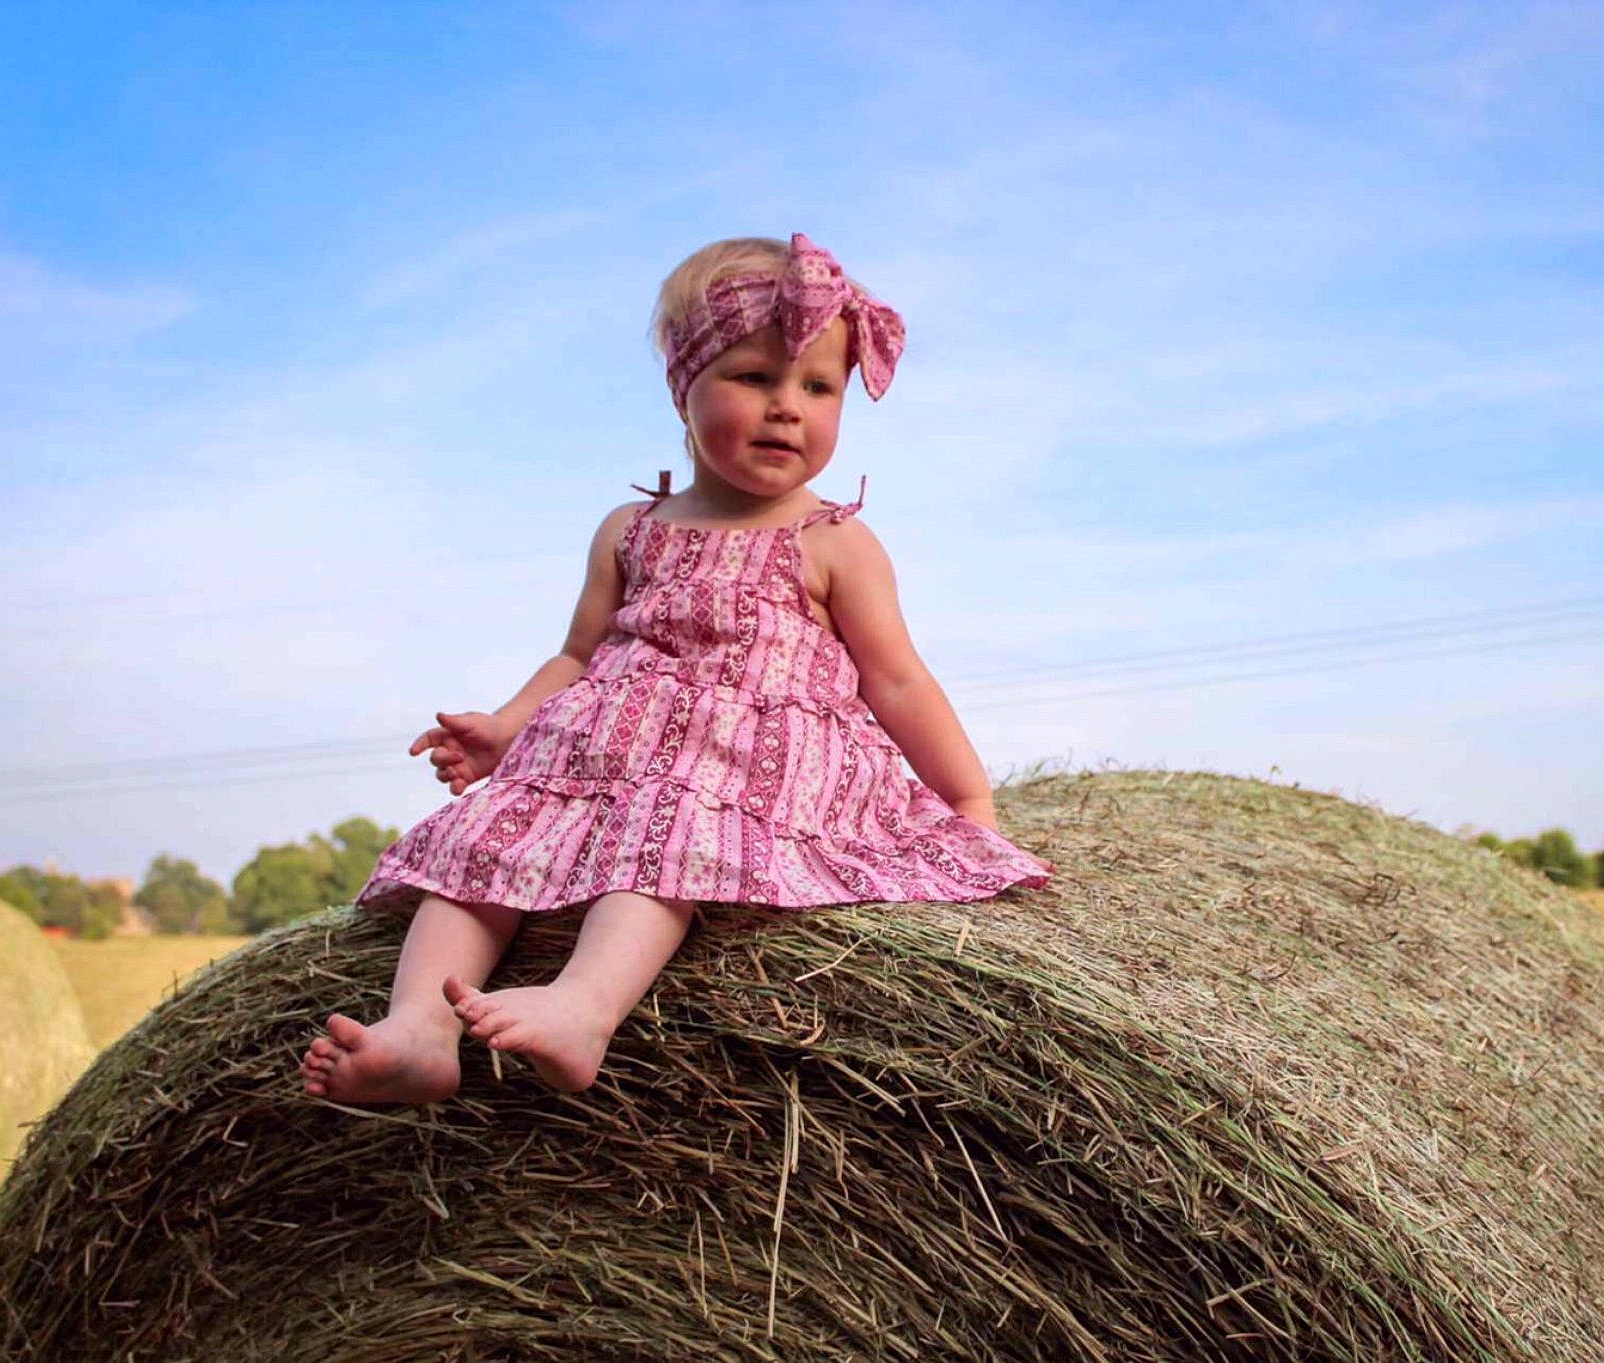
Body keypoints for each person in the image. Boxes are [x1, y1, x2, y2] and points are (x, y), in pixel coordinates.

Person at [300, 232, 1051, 1105]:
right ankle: (420, 1028)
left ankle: (585, 1005)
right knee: (480, 845)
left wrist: (969, 802)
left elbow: (899, 680)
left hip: (742, 770)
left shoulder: (834, 541)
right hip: (596, 753)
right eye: (753, 377)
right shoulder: (630, 529)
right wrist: (506, 729)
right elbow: (579, 656)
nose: (787, 407)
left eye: (817, 387)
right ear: (680, 387)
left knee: (672, 832)